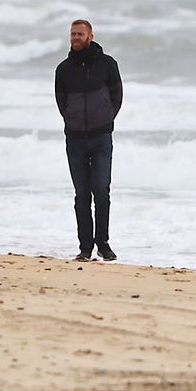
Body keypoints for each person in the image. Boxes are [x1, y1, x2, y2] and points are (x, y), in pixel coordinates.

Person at [54, 19, 123, 262]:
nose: (76, 38)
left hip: (101, 137)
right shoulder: (63, 69)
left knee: (101, 191)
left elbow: (117, 96)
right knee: (82, 194)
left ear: (90, 36)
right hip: (75, 140)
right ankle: (85, 247)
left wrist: (105, 118)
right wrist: (72, 118)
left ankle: (103, 244)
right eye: (73, 34)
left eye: (80, 34)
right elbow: (61, 101)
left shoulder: (107, 64)